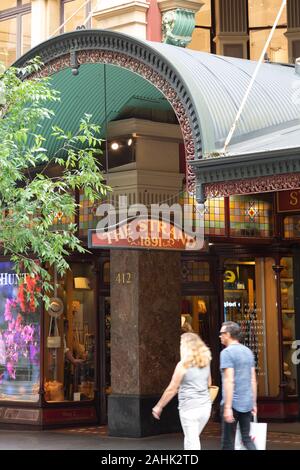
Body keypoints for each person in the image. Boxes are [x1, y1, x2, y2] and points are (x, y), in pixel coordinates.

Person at [152, 332, 212, 450]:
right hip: (205, 408)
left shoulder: (183, 365)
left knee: (192, 441)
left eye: (181, 344)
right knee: (191, 438)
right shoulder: (205, 362)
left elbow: (172, 389)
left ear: (186, 346)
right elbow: (209, 383)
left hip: (189, 408)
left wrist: (159, 406)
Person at [219, 321, 257, 450]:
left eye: (222, 333)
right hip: (246, 403)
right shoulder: (248, 352)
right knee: (246, 439)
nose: (220, 336)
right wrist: (254, 403)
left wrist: (228, 407)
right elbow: (253, 379)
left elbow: (229, 380)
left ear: (228, 334)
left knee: (227, 443)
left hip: (232, 403)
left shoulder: (226, 353)